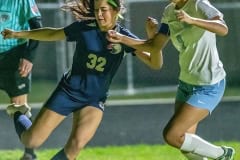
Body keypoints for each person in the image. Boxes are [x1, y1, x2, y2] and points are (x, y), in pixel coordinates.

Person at [1, 0, 162, 159]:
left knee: (75, 146)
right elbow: (52, 33)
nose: (99, 14)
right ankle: (19, 112)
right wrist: (19, 33)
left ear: (116, 10)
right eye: (97, 9)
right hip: (68, 92)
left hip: (94, 100)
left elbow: (155, 63)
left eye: (103, 9)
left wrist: (153, 37)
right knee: (32, 141)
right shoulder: (84, 28)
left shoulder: (124, 37)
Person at [106, 0, 235, 160]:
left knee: (172, 135)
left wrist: (193, 20)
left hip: (209, 85)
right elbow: (154, 47)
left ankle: (222, 154)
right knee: (186, 146)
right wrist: (123, 38)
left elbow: (223, 28)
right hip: (186, 84)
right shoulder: (169, 11)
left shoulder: (198, 4)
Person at [0, 0, 42, 159]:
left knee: (19, 108)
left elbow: (37, 28)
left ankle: (30, 153)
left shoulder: (23, 1)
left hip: (14, 55)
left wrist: (29, 56)